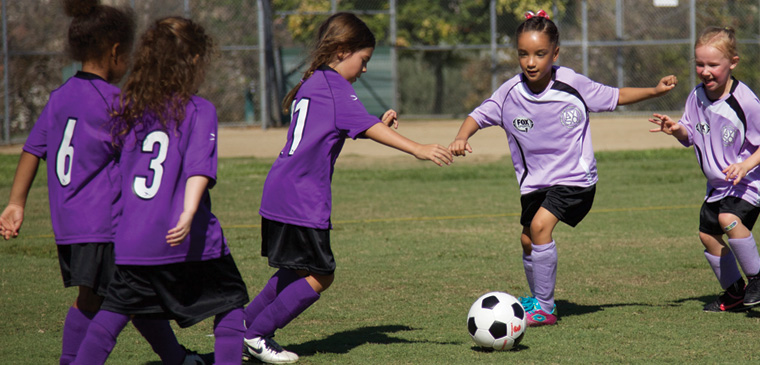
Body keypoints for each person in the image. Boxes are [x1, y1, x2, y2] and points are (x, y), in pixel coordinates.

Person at [246, 12, 453, 363]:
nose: (365, 69)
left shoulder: (313, 82)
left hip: (280, 190)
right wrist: (418, 148)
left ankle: (242, 324)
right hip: (302, 198)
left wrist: (376, 123)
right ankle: (256, 334)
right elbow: (366, 128)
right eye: (364, 60)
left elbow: (338, 129)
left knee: (298, 269)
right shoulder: (334, 86)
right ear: (342, 50)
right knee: (322, 275)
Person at [448, 10, 677, 326]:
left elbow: (616, 96)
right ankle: (536, 300)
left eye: (540, 54)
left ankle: (545, 306)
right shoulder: (509, 93)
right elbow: (479, 115)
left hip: (575, 179)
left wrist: (655, 91)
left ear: (554, 54)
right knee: (527, 239)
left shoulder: (572, 84)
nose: (531, 62)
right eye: (524, 54)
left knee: (541, 227)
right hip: (535, 183)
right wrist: (462, 136)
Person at [0, 2, 197, 364]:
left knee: (97, 297)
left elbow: (32, 149)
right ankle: (175, 358)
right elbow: (141, 160)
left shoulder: (60, 98)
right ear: (116, 52)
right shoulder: (114, 103)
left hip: (69, 225)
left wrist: (16, 202)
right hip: (104, 225)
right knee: (129, 296)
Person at [72, 16, 247, 364]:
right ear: (192, 61)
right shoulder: (198, 109)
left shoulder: (127, 109)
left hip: (133, 240)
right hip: (188, 239)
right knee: (230, 306)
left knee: (111, 319)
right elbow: (199, 169)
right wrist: (188, 210)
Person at [648, 27, 760, 313]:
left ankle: (759, 278)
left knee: (728, 218)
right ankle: (734, 293)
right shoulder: (696, 96)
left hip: (748, 182)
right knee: (707, 235)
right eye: (700, 64)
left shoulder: (743, 101)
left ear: (732, 62)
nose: (705, 71)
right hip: (718, 184)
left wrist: (746, 165)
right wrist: (676, 130)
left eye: (713, 65)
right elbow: (690, 136)